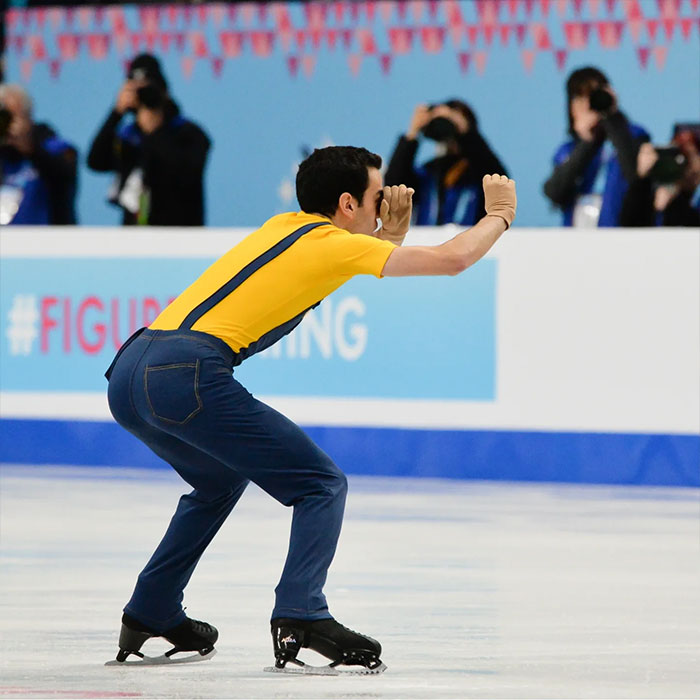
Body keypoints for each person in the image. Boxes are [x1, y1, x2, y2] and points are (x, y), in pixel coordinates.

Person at [104, 146, 516, 673]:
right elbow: (452, 259)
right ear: (347, 203)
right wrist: (499, 216)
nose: (385, 200)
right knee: (320, 484)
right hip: (186, 374)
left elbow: (327, 268)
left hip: (131, 367)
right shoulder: (332, 245)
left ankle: (152, 609)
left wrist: (384, 237)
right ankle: (301, 612)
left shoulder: (286, 226)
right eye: (376, 194)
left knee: (218, 482)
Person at [87, 53, 210, 226]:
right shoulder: (128, 136)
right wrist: (116, 114)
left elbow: (186, 174)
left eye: (149, 91)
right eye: (137, 91)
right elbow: (96, 162)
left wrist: (155, 132)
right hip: (134, 236)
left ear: (165, 93)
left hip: (180, 235)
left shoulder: (189, 133)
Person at [543, 66, 650, 227]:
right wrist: (587, 142)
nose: (590, 105)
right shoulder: (568, 150)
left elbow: (634, 177)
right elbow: (555, 193)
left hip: (619, 238)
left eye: (594, 96)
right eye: (581, 98)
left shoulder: (632, 136)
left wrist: (612, 117)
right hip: (575, 241)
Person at [384, 99, 508, 226]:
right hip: (427, 242)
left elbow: (499, 179)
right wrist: (412, 133)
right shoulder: (430, 171)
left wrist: (464, 130)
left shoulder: (481, 171)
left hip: (472, 241)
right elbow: (393, 186)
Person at [0, 83, 77, 225]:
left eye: (11, 116)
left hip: (46, 241)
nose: (7, 124)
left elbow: (66, 170)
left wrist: (28, 147)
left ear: (28, 117)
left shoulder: (49, 143)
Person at [619, 128, 700, 227]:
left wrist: (684, 195)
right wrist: (641, 179)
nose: (685, 165)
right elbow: (628, 225)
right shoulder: (644, 193)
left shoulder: (689, 208)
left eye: (690, 156)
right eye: (680, 155)